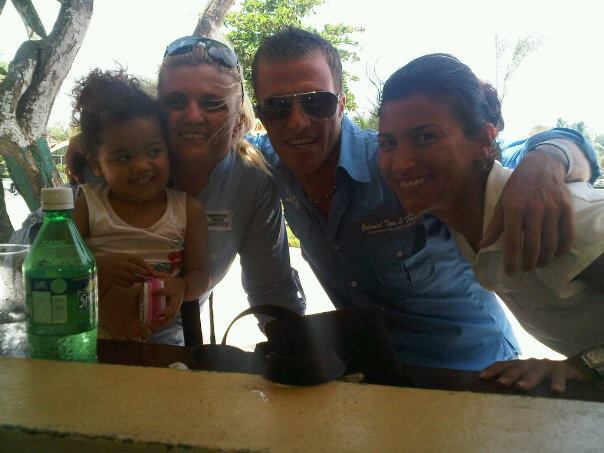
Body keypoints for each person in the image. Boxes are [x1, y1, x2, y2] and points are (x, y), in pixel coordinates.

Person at [248, 27, 601, 370]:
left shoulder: (395, 163)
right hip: (377, 375)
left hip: (474, 372)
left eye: (316, 102)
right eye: (277, 107)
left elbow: (489, 154)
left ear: (341, 104)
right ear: (261, 114)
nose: (297, 122)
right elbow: (223, 144)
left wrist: (548, 159)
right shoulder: (265, 164)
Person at [377, 53, 604, 391]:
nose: (401, 163)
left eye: (425, 137)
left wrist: (586, 364)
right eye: (388, 143)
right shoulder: (458, 216)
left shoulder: (562, 217)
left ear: (483, 141)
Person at [156, 36, 305, 343]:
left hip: (175, 347)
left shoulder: (251, 180)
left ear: (238, 122)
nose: (192, 116)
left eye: (211, 103)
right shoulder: (115, 163)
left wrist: (298, 350)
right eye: (175, 102)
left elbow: (271, 289)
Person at [70, 68, 211, 340]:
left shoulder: (187, 210)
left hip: (162, 341)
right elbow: (57, 262)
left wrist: (182, 287)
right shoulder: (88, 204)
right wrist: (97, 266)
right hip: (92, 338)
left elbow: (200, 273)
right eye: (123, 158)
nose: (142, 166)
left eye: (153, 151)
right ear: (97, 165)